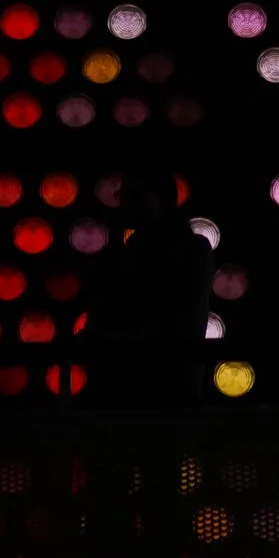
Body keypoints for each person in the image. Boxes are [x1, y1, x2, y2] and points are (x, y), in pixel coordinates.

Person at [85, 169, 213, 407]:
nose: (125, 204)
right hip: (155, 384)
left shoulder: (189, 251)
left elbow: (171, 322)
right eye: (123, 196)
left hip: (163, 386)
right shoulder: (137, 249)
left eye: (134, 195)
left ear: (162, 199)